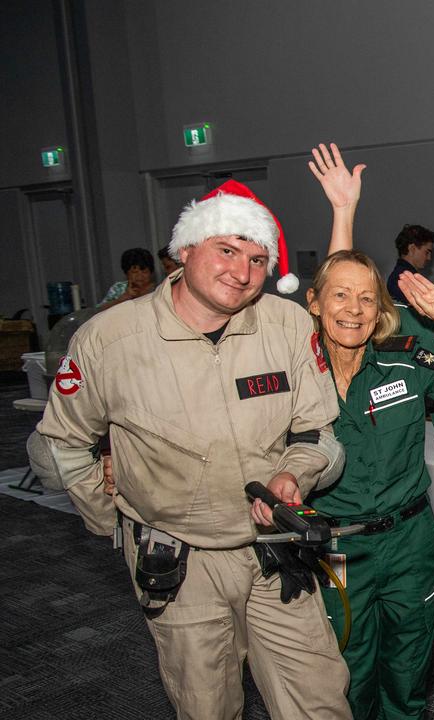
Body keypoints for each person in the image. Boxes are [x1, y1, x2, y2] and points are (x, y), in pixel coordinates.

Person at [36, 179, 352, 719]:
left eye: (257, 258)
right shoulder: (110, 340)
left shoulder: (287, 324)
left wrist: (294, 474)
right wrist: (110, 517)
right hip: (182, 563)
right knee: (208, 708)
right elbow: (60, 443)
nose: (242, 271)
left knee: (320, 701)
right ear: (184, 252)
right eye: (226, 250)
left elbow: (319, 432)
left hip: (275, 549)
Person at [306, 144, 434, 719]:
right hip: (337, 547)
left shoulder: (404, 359)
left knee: (407, 671)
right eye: (340, 299)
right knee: (345, 670)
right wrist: (342, 212)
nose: (354, 309)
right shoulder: (302, 364)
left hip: (408, 543)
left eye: (368, 299)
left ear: (382, 311)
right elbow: (338, 280)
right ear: (314, 304)